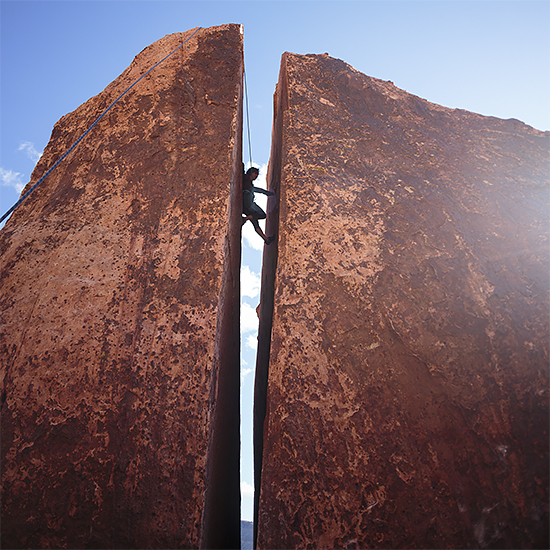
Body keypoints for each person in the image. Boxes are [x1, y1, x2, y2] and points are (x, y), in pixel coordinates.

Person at [242, 166, 276, 245]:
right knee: (262, 215)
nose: (256, 177)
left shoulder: (247, 181)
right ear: (252, 173)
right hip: (248, 203)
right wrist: (268, 193)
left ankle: (266, 239)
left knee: (255, 222)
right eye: (256, 174)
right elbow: (257, 190)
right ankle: (246, 218)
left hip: (244, 207)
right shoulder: (246, 178)